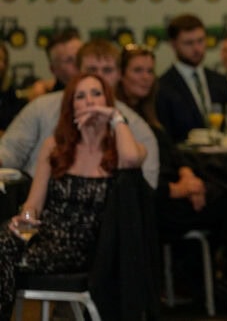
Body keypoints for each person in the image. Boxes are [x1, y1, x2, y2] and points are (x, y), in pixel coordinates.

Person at [0, 72, 147, 318]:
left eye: (96, 94)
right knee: (4, 241)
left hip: (85, 249)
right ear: (71, 106)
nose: (89, 101)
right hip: (44, 237)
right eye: (81, 96)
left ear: (108, 100)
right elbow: (33, 204)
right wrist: (22, 221)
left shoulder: (122, 148)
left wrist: (115, 117)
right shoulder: (54, 146)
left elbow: (132, 159)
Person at [0, 39, 160, 189]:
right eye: (91, 70)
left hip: (109, 210)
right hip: (41, 201)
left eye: (107, 70)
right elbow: (9, 152)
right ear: (77, 71)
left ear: (119, 74)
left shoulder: (136, 125)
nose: (98, 76)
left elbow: (147, 186)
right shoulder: (41, 107)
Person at [117, 44, 227, 238]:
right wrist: (176, 190)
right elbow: (132, 174)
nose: (146, 77)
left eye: (149, 71)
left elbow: (172, 153)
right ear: (121, 75)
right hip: (151, 202)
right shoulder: (121, 118)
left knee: (223, 190)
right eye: (137, 70)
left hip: (173, 190)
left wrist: (188, 178)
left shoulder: (150, 114)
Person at [156, 14, 227, 143]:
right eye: (189, 43)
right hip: (184, 159)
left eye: (201, 41)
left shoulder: (220, 81)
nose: (197, 48)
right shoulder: (163, 86)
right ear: (173, 44)